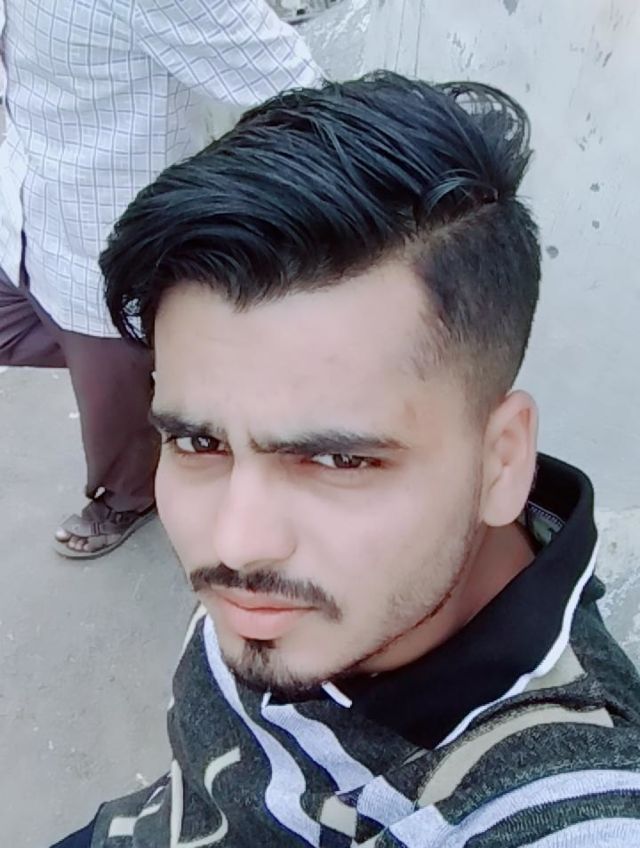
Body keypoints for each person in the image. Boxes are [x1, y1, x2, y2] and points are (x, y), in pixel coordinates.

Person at [54, 73, 640, 846]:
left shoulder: (560, 807)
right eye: (199, 443)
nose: (236, 543)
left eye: (336, 462)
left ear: (502, 462)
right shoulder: (326, 588)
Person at [0, 0, 322, 558]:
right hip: (22, 207)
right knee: (104, 365)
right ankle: (165, 366)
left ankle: (129, 494)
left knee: (112, 403)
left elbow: (294, 88)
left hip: (103, 244)